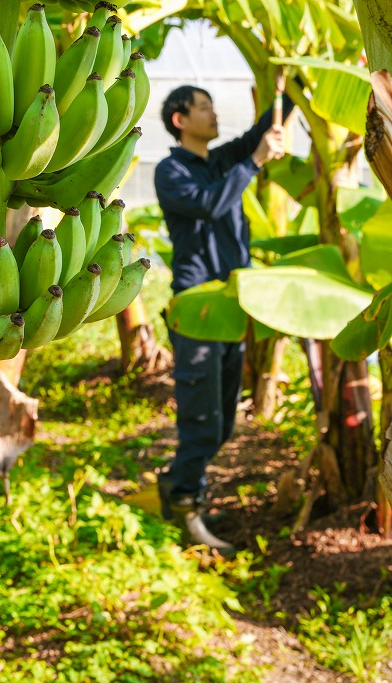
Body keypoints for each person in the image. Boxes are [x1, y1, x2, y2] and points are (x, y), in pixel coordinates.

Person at [154, 81, 292, 557]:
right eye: (203, 108)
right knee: (201, 421)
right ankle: (185, 506)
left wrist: (291, 83)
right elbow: (211, 203)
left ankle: (175, 486)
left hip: (231, 305)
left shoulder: (222, 158)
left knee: (225, 423)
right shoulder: (171, 172)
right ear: (180, 120)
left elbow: (260, 131)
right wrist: (254, 163)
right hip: (197, 309)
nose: (213, 114)